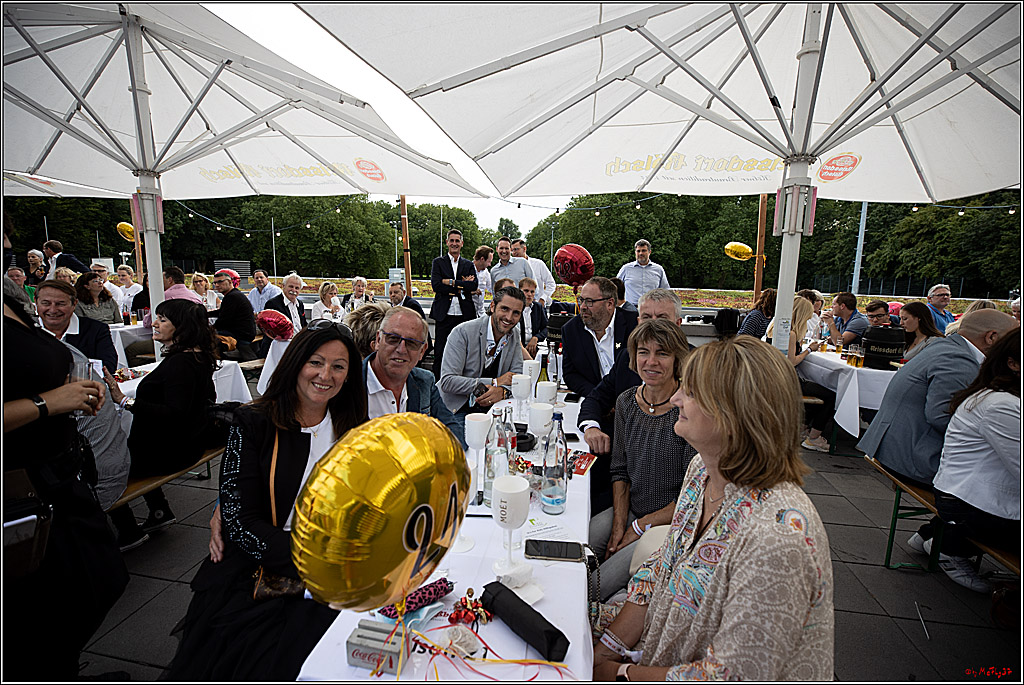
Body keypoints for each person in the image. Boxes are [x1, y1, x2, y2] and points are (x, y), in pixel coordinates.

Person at [592, 336, 834, 681]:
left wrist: (621, 673)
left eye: (690, 392)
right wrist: (606, 650)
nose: (675, 398)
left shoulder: (778, 538)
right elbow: (661, 569)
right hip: (656, 649)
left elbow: (732, 675)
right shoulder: (702, 472)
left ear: (735, 413)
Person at [169, 322, 366, 681]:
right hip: (265, 571)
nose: (326, 375)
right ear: (295, 363)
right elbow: (240, 522)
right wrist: (318, 562)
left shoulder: (354, 427)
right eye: (315, 362)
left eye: (338, 366)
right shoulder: (254, 422)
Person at [4, 277, 129, 681]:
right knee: (52, 596)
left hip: (60, 476)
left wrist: (64, 389)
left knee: (97, 580)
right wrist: (46, 403)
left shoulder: (10, 299)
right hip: (21, 487)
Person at [857, 309, 1018, 548]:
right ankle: (948, 546)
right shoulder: (960, 360)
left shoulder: (947, 346)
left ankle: (932, 536)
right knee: (996, 477)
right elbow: (942, 417)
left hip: (893, 444)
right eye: (1012, 339)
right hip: (911, 455)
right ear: (992, 337)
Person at [588, 320, 696, 600]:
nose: (651, 361)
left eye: (662, 353)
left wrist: (637, 528)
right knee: (574, 548)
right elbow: (620, 470)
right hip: (631, 509)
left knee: (593, 587)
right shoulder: (626, 402)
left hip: (668, 523)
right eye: (643, 352)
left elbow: (691, 496)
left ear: (677, 359)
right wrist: (619, 524)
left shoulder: (688, 411)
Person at [102, 299, 218, 550]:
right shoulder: (196, 356)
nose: (154, 324)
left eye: (162, 320)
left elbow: (174, 413)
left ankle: (127, 530)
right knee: (123, 449)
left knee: (103, 467)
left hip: (172, 452)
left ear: (181, 327)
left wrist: (124, 401)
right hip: (187, 444)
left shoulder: (180, 363)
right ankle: (159, 510)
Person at [926, 328, 1020, 592]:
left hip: (962, 495)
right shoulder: (1002, 404)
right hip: (968, 504)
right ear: (1013, 364)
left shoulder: (998, 396)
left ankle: (939, 538)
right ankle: (949, 545)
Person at [579, 288, 684, 458]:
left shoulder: (695, 366)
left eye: (662, 318)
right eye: (647, 318)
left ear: (678, 323)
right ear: (638, 322)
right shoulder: (628, 357)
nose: (653, 325)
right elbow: (596, 398)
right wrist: (591, 427)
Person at [364, 306, 465, 447]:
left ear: (422, 351)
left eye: (412, 343)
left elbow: (452, 430)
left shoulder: (424, 381)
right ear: (378, 340)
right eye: (393, 339)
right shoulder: (349, 384)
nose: (401, 349)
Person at [437, 285, 525, 415]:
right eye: (504, 309)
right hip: (457, 409)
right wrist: (495, 382)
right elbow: (448, 382)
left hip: (493, 407)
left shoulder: (514, 333)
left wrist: (503, 391)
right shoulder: (462, 332)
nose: (509, 317)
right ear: (492, 306)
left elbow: (517, 375)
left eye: (516, 313)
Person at [767, 296, 836, 453]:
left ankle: (803, 428)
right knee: (830, 396)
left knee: (817, 391)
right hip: (787, 381)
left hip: (775, 377)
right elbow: (791, 361)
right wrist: (809, 350)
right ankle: (814, 437)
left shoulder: (775, 328)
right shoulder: (790, 334)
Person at [562, 276, 639, 396]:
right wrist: (598, 397)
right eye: (581, 300)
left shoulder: (634, 325)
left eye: (589, 301)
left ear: (610, 304)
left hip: (633, 398)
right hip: (595, 399)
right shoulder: (571, 330)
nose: (583, 307)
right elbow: (570, 374)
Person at [36, 279, 118, 373]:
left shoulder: (96, 330)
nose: (53, 310)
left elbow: (108, 367)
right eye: (46, 303)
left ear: (74, 304)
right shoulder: (26, 330)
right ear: (36, 302)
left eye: (61, 304)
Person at [430, 228, 478, 379]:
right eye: (452, 240)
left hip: (464, 315)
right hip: (444, 314)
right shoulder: (438, 263)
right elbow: (436, 286)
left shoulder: (468, 264)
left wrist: (451, 282)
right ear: (447, 242)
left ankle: (462, 383)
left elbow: (473, 285)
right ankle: (438, 384)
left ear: (462, 243)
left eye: (457, 241)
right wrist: (462, 285)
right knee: (440, 352)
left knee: (465, 352)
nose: (454, 243)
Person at [208, 268, 257, 355]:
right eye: (215, 283)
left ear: (230, 282)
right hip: (245, 332)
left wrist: (209, 329)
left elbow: (223, 321)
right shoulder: (234, 294)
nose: (217, 285)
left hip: (241, 335)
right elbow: (222, 312)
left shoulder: (232, 297)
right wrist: (205, 314)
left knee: (205, 337)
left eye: (220, 282)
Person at [615, 239, 670, 306]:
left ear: (649, 252)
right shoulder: (626, 269)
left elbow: (665, 291)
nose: (641, 253)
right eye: (638, 251)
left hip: (652, 308)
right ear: (635, 252)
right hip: (630, 308)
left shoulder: (658, 269)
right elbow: (616, 288)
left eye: (643, 250)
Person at [511, 238, 556, 306]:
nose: (514, 252)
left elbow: (551, 284)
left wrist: (543, 298)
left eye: (516, 249)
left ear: (524, 249)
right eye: (512, 250)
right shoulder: (511, 268)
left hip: (537, 305)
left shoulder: (538, 264)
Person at [518, 277, 548, 358]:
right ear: (519, 291)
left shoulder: (538, 307)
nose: (529, 294)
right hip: (518, 348)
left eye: (532, 292)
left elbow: (546, 328)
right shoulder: (515, 308)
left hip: (534, 347)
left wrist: (536, 338)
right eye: (526, 291)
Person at [472, 245, 494, 317]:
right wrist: (473, 292)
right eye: (489, 262)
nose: (490, 265)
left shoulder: (486, 272)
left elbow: (491, 288)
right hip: (468, 312)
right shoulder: (467, 269)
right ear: (482, 259)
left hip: (481, 312)